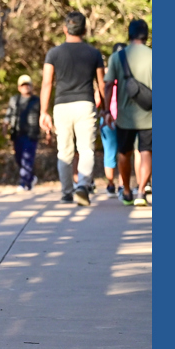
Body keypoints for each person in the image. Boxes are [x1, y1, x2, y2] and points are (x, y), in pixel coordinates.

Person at [39, 11, 108, 206]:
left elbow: (47, 83)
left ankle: (66, 192)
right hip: (85, 104)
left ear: (64, 29)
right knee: (86, 150)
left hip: (62, 106)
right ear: (85, 30)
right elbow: (101, 85)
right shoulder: (93, 53)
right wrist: (105, 108)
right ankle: (83, 187)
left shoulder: (54, 53)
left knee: (64, 152)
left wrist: (44, 111)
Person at [103, 19, 152, 206]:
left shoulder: (118, 57)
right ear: (146, 35)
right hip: (149, 114)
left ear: (129, 34)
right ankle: (141, 191)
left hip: (124, 115)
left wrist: (107, 110)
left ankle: (126, 190)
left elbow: (108, 85)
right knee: (146, 151)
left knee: (124, 152)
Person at [4, 74, 41, 191]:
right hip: (17, 134)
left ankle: (23, 182)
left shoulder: (37, 101)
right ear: (19, 87)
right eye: (23, 85)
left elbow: (42, 116)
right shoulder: (14, 100)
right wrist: (5, 126)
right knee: (19, 158)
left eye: (28, 85)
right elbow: (9, 114)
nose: (26, 87)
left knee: (27, 158)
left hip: (31, 134)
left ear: (31, 86)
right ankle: (30, 179)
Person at [99, 43, 127, 195]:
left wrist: (104, 111)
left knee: (109, 152)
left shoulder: (106, 76)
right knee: (124, 152)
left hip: (108, 117)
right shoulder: (131, 73)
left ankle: (111, 185)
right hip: (126, 117)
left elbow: (98, 99)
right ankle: (122, 185)